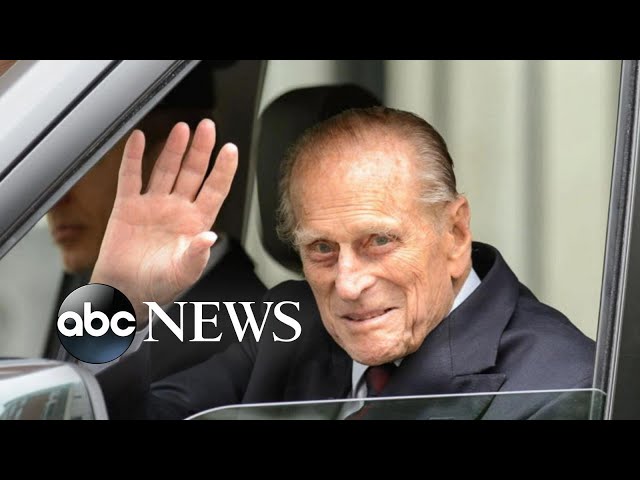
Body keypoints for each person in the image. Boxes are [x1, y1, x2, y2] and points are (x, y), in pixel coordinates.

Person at [94, 106, 596, 420]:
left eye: (379, 240)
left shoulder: (562, 388)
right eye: (322, 249)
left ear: (456, 234)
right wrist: (119, 299)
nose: (349, 284)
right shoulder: (288, 323)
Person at [44, 61, 266, 381]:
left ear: (179, 159)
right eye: (53, 172)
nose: (55, 199)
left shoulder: (246, 342)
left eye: (83, 164)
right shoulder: (94, 295)